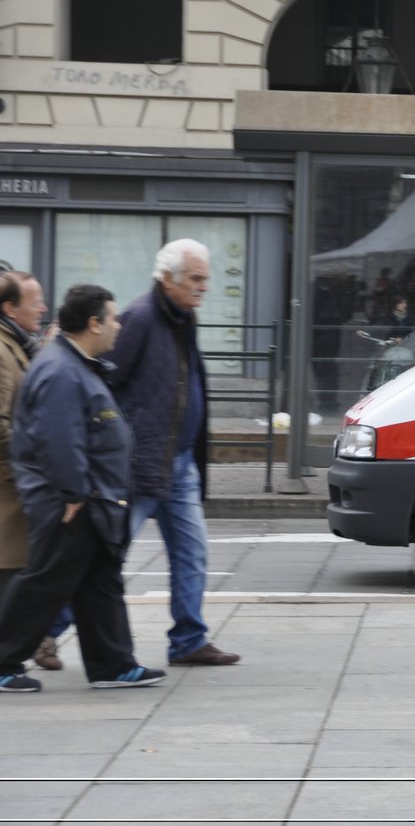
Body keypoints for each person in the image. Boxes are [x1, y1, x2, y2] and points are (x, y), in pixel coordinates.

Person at [0, 285, 165, 692]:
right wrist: (72, 494)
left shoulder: (77, 364)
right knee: (45, 581)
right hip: (72, 502)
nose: (119, 326)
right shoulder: (61, 370)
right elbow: (59, 440)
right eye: (113, 318)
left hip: (90, 497)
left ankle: (113, 665)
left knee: (99, 581)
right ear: (93, 323)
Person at [109, 240, 240, 667]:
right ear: (167, 279)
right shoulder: (140, 318)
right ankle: (46, 634)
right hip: (141, 463)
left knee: (192, 552)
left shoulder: (183, 317)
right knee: (104, 556)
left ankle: (188, 640)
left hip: (178, 463)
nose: (204, 287)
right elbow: (106, 386)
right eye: (196, 279)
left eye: (206, 279)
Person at [0, 272, 47, 651]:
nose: (42, 307)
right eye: (34, 301)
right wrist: (18, 477)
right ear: (9, 307)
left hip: (3, 491)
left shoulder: (11, 343)